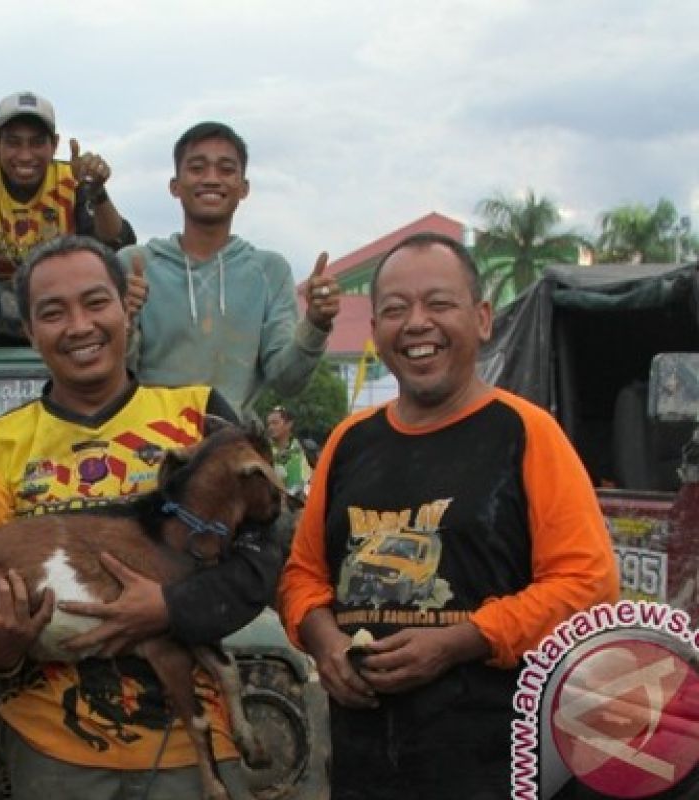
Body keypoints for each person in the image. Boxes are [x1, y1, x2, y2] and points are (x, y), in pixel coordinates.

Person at [277, 232, 619, 799]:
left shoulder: (527, 433)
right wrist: (324, 639)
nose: (416, 324)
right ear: (375, 332)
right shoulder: (348, 442)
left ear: (481, 319)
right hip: (364, 764)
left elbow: (588, 585)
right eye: (394, 309)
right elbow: (303, 575)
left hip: (492, 764)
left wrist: (462, 640)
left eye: (438, 304)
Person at [0, 235, 282, 798]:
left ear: (127, 309)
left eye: (95, 302)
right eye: (53, 312)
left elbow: (263, 560)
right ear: (31, 332)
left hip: (197, 748)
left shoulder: (200, 417)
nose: (79, 325)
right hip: (53, 751)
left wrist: (168, 607)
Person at [120, 121, 340, 416]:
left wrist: (316, 324)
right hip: (149, 447)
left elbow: (287, 380)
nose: (211, 179)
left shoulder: (270, 272)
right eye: (197, 168)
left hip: (234, 446)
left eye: (226, 169)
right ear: (174, 186)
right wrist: (125, 323)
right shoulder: (135, 266)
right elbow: (113, 374)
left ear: (244, 188)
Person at [0, 91, 137, 345]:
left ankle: (0, 329)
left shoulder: (70, 178)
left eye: (36, 143)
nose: (25, 156)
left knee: (121, 266)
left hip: (55, 292)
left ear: (54, 145)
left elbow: (119, 243)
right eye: (13, 143)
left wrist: (96, 190)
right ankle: (28, 325)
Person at [265, 405, 309, 498]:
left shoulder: (305, 448)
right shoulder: (265, 451)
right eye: (269, 424)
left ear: (289, 424)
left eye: (275, 423)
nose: (270, 427)